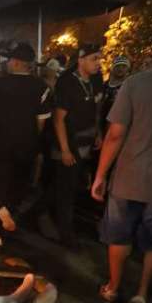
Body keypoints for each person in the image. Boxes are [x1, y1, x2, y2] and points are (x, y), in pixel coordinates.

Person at [91, 20, 152, 303]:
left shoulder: (136, 83)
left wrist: (100, 175)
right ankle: (142, 295)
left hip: (129, 178)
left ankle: (114, 287)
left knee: (119, 235)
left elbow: (115, 135)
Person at [0, 42, 52, 245]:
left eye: (10, 59)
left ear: (17, 62)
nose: (8, 62)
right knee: (19, 183)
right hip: (27, 143)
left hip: (2, 141)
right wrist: (33, 140)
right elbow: (41, 122)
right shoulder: (42, 87)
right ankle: (9, 218)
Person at [51, 43, 103, 247]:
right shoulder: (67, 82)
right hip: (69, 142)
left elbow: (97, 107)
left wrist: (98, 131)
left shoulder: (97, 79)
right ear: (81, 60)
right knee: (66, 189)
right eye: (94, 58)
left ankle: (33, 214)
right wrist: (64, 149)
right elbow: (58, 119)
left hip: (87, 141)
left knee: (63, 186)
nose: (98, 63)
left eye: (99, 58)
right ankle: (66, 234)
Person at [100, 55, 131, 132]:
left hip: (121, 130)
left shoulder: (130, 87)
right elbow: (98, 110)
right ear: (113, 68)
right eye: (118, 66)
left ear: (128, 69)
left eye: (123, 66)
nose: (120, 69)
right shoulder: (104, 86)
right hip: (103, 129)